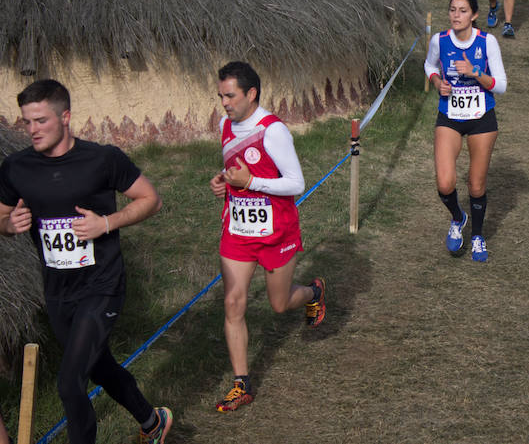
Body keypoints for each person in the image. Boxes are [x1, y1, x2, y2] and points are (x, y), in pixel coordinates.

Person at [0, 80, 171, 444]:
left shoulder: (102, 158)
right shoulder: (16, 167)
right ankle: (152, 421)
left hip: (102, 286)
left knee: (69, 383)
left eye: (41, 121)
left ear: (66, 117)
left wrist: (106, 223)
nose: (32, 130)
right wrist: (7, 225)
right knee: (99, 368)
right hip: (59, 291)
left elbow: (150, 199)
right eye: (27, 121)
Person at [209, 62, 325, 412]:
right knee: (233, 302)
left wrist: (250, 183)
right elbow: (235, 168)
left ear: (251, 94)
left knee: (279, 304)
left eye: (230, 96)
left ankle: (313, 293)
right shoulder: (224, 125)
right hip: (238, 231)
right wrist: (224, 181)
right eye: (221, 96)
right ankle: (241, 384)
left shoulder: (273, 131)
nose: (224, 103)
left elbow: (296, 183)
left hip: (277, 231)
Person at [424, 0, 507, 262]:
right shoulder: (440, 40)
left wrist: (475, 73)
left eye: (462, 11)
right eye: (452, 10)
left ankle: (478, 236)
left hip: (482, 116)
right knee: (445, 182)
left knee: (475, 184)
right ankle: (458, 218)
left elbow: (502, 85)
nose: (455, 15)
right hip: (449, 114)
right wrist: (438, 83)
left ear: (473, 15)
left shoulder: (487, 42)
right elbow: (429, 65)